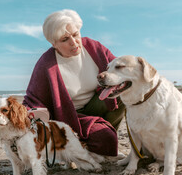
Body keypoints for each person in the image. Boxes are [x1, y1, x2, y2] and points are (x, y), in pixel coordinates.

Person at [23, 9, 125, 156]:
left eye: (76, 34)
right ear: (54, 44)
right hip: (69, 116)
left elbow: (120, 71)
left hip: (95, 105)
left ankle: (106, 132)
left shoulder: (93, 47)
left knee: (121, 93)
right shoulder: (46, 64)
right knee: (104, 138)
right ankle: (87, 144)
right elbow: (32, 100)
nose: (74, 42)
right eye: (65, 40)